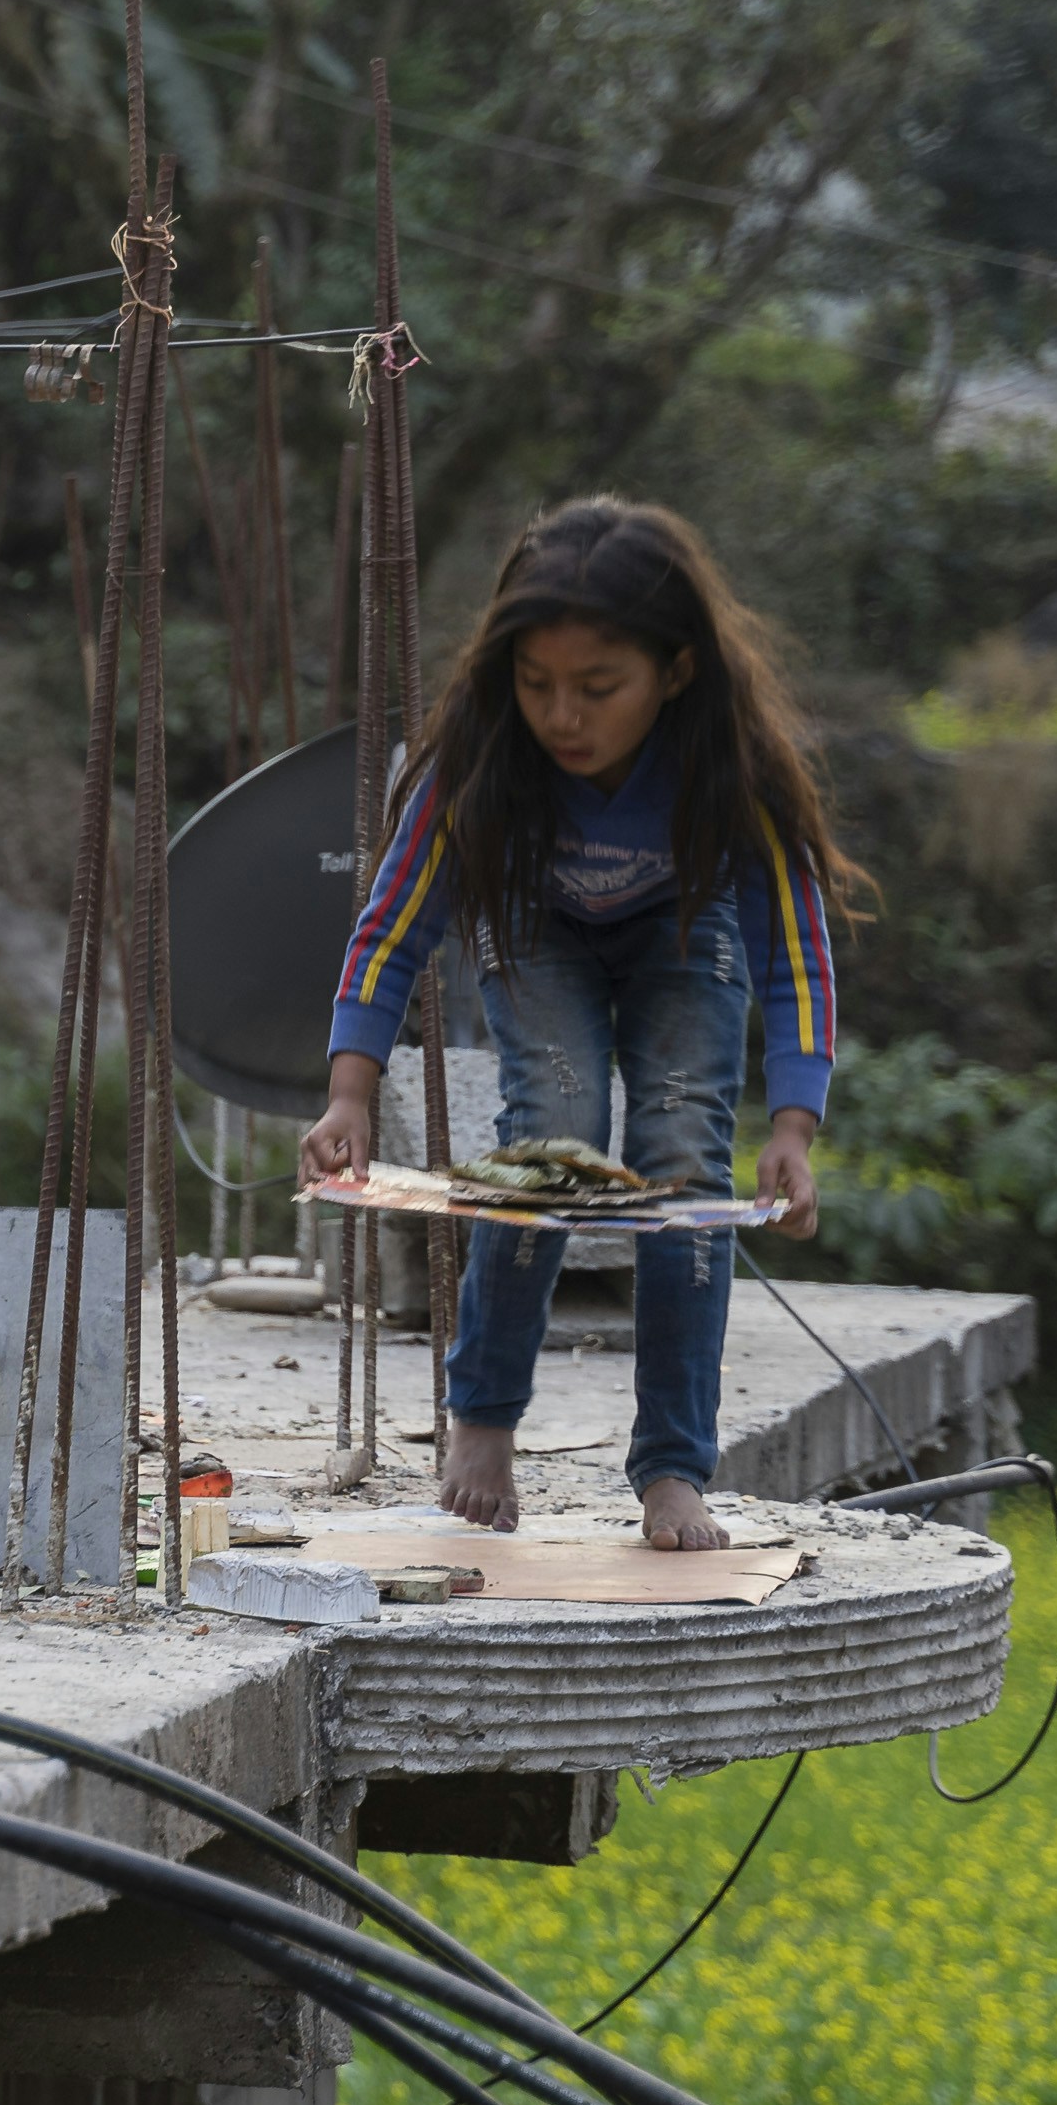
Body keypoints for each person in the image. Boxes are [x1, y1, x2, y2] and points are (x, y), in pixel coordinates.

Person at [293, 498, 855, 1553]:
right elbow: (393, 926)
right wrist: (349, 1091)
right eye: (538, 684)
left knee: (684, 1155)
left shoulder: (732, 766)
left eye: (599, 689)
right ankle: (485, 1419)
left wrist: (792, 1125)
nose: (564, 716)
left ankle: (676, 1466)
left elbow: (796, 945)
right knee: (552, 1129)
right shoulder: (481, 759)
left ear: (676, 671)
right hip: (535, 927)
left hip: (687, 938)